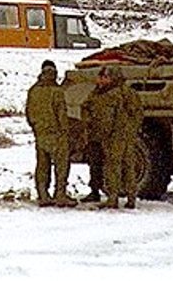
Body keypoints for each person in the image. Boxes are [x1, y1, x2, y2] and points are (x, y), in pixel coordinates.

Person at [84, 66, 143, 208]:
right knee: (128, 166)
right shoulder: (128, 93)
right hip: (126, 136)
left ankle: (113, 198)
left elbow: (105, 119)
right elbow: (138, 114)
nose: (100, 80)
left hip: (113, 136)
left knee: (113, 166)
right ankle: (131, 198)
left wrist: (102, 133)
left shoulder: (110, 95)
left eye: (104, 77)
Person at [24, 60, 74, 207]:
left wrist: (36, 128)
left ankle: (43, 195)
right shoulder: (57, 92)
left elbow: (29, 113)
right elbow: (61, 115)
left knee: (42, 165)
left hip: (40, 134)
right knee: (61, 166)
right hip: (57, 134)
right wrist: (65, 131)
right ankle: (60, 195)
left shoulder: (33, 91)